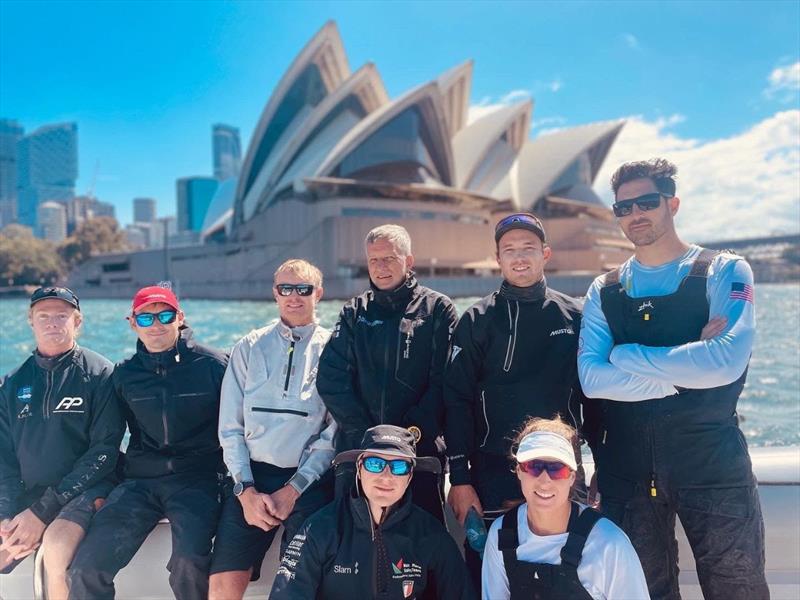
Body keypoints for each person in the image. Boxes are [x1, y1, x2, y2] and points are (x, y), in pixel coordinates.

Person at [578, 158, 768, 600]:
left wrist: (625, 355)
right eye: (622, 208)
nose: (634, 214)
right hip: (625, 470)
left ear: (673, 203)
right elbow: (592, 378)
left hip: (713, 466)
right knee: (642, 591)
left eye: (646, 202)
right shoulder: (604, 289)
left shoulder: (724, 270)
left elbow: (725, 362)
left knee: (736, 587)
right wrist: (684, 372)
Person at [444, 213, 596, 588]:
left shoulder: (577, 316)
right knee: (489, 576)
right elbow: (456, 401)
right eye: (509, 250)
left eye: (528, 248)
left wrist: (603, 467)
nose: (519, 257)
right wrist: (460, 480)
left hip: (560, 469)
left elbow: (597, 400)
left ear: (546, 253)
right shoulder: (477, 320)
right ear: (498, 259)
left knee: (564, 574)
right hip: (491, 472)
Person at [68, 285, 229, 600]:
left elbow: (238, 429)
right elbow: (110, 439)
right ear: (132, 322)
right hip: (140, 483)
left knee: (189, 564)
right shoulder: (124, 375)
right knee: (86, 568)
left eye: (165, 315)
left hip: (197, 481)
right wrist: (103, 490)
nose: (156, 324)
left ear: (179, 318)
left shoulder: (214, 366)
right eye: (146, 318)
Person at [209, 259, 337, 599]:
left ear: (318, 294)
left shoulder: (335, 349)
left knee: (292, 586)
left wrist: (293, 490)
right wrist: (245, 490)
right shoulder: (249, 346)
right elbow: (230, 428)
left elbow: (333, 434)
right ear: (275, 294)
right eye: (286, 289)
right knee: (221, 586)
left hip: (308, 483)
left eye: (303, 289)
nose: (294, 296)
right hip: (250, 479)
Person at [317, 224, 458, 522]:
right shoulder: (355, 311)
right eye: (373, 260)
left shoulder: (437, 309)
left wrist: (407, 436)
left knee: (421, 541)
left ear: (408, 261)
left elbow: (446, 380)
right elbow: (331, 378)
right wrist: (367, 435)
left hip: (418, 453)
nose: (380, 267)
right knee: (353, 543)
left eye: (389, 259)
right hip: (360, 451)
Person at [0, 286, 123, 600]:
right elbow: (5, 458)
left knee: (56, 551)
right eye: (44, 316)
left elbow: (104, 453)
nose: (52, 322)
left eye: (62, 315)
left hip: (87, 489)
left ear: (77, 321)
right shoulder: (13, 383)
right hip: (33, 492)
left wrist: (41, 512)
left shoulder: (101, 374)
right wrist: (7, 515)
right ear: (31, 321)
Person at [270, 425, 476, 600]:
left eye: (398, 466)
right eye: (375, 464)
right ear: (359, 469)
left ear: (410, 476)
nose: (386, 477)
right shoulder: (320, 528)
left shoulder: (431, 533)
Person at [482, 417, 649, 600]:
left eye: (557, 469)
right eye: (534, 467)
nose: (545, 480)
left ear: (571, 477)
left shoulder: (609, 543)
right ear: (519, 471)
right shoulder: (501, 533)